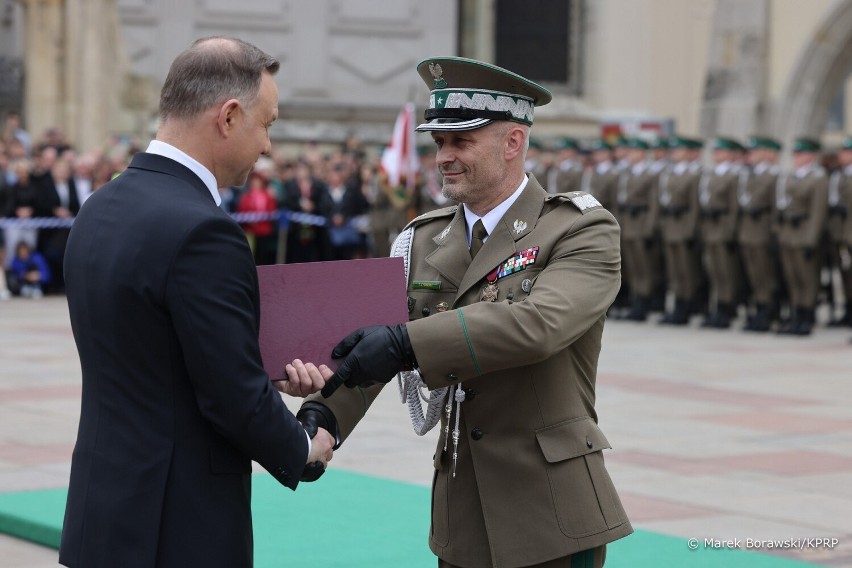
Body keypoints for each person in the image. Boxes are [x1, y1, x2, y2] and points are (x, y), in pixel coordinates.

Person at [299, 56, 632, 568]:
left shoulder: (578, 229)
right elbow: (374, 347)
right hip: (462, 513)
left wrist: (406, 343)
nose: (445, 158)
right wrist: (324, 417)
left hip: (552, 510)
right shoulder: (426, 238)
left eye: (462, 141)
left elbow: (538, 325)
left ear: (513, 142)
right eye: (439, 144)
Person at [59, 37, 336, 568]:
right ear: (229, 117)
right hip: (174, 525)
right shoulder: (204, 231)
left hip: (102, 512)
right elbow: (231, 396)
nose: (268, 147)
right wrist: (303, 448)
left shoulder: (99, 206)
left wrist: (257, 365)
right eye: (267, 124)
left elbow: (151, 352)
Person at [775, 137, 828, 335]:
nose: (797, 158)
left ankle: (807, 316)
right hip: (789, 233)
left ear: (811, 156)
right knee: (792, 277)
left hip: (805, 233)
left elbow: (817, 213)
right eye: (795, 154)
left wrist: (811, 240)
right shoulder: (791, 177)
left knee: (807, 278)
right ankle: (796, 314)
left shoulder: (818, 178)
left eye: (801, 154)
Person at [698, 137, 744, 329]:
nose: (717, 155)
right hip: (710, 228)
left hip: (723, 228)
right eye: (715, 152)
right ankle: (718, 307)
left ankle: (727, 308)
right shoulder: (711, 174)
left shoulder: (734, 176)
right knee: (714, 270)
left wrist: (731, 232)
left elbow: (734, 207)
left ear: (731, 154)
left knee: (726, 272)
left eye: (721, 151)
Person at [738, 136, 782, 332]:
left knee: (766, 274)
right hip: (748, 231)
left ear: (768, 153)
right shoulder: (750, 175)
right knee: (754, 274)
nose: (751, 156)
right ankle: (760, 308)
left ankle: (769, 311)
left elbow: (776, 208)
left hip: (764, 231)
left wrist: (774, 233)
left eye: (756, 152)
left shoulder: (775, 176)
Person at [658, 136, 703, 325]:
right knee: (675, 271)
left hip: (683, 227)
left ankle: (687, 306)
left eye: (679, 150)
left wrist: (691, 230)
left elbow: (694, 206)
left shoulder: (694, 176)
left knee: (686, 270)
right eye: (674, 150)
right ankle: (677, 305)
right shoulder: (670, 173)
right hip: (670, 227)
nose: (675, 153)